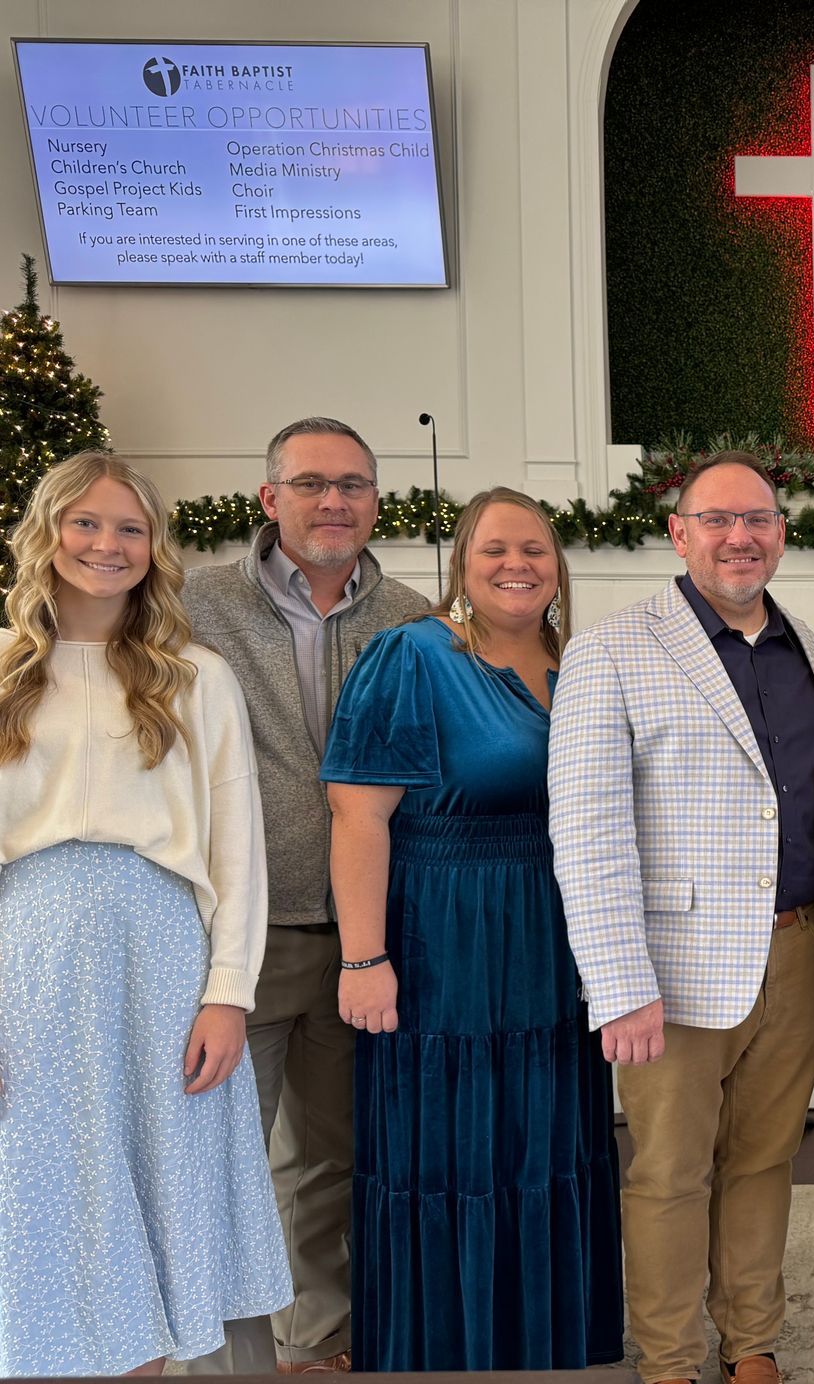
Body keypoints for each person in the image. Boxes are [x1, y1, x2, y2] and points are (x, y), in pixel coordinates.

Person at [549, 451, 814, 1384]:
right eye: (717, 519)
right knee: (671, 1175)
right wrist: (619, 985)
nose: (740, 537)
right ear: (679, 534)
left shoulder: (812, 651)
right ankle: (672, 1360)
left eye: (758, 519)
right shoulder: (613, 648)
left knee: (762, 1163)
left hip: (796, 948)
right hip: (668, 968)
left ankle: (750, 1340)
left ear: (780, 535)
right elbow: (586, 830)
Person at [0, 452, 292, 1376]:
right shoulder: (3, 668)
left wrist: (228, 992)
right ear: (48, 535)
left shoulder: (196, 677)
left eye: (130, 528)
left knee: (159, 1193)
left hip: (162, 957)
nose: (107, 544)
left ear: (154, 549)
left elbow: (238, 849)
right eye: (85, 523)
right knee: (37, 1190)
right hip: (28, 959)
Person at [318, 488, 621, 1370]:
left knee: (545, 1136)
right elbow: (358, 817)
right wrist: (363, 957)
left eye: (534, 548)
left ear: (558, 566)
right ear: (462, 563)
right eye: (494, 549)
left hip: (554, 936)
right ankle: (442, 1348)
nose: (516, 565)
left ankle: (549, 1340)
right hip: (440, 937)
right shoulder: (412, 657)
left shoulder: (584, 663)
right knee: (445, 1142)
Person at [183, 415, 428, 1374]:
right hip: (236, 931)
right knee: (221, 1160)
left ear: (376, 501)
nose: (335, 502)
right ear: (268, 498)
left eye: (355, 486)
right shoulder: (196, 605)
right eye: (314, 483)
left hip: (363, 930)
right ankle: (216, 1352)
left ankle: (312, 1336)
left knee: (327, 1155)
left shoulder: (409, 615)